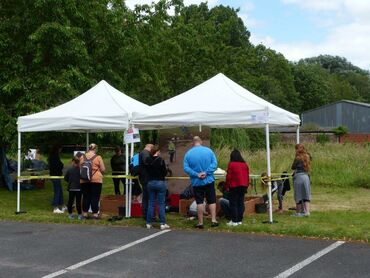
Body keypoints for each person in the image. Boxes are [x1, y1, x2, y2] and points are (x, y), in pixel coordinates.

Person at [183, 136, 218, 229]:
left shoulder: (188, 154)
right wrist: (206, 173)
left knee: (199, 202)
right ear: (201, 142)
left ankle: (200, 222)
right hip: (209, 180)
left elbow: (186, 168)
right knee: (212, 200)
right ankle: (213, 220)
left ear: (192, 143)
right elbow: (214, 164)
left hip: (196, 182)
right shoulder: (209, 151)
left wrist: (196, 174)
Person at [145, 145, 170, 230]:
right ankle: (162, 223)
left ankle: (148, 223)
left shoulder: (147, 160)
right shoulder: (161, 160)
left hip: (150, 183)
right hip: (160, 182)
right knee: (161, 204)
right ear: (157, 151)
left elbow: (146, 171)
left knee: (151, 203)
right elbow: (164, 173)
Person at [80, 143, 105, 219]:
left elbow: (79, 167)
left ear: (89, 148)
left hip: (84, 179)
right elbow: (103, 169)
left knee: (86, 196)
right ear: (95, 149)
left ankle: (85, 213)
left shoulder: (82, 156)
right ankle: (95, 214)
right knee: (95, 196)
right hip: (96, 180)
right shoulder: (98, 157)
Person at [225, 149, 249, 226]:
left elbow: (229, 177)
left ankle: (234, 220)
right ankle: (239, 220)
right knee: (240, 203)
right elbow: (247, 176)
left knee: (233, 203)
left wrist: (227, 185)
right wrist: (247, 186)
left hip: (234, 185)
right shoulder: (245, 164)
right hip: (243, 185)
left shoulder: (231, 164)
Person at [291, 143, 311, 217]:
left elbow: (293, 167)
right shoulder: (308, 156)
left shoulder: (297, 158)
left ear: (297, 150)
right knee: (306, 195)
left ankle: (298, 212)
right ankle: (307, 212)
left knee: (298, 195)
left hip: (299, 177)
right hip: (306, 177)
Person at [48, 144, 65, 214]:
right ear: (58, 149)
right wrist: (61, 165)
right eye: (60, 149)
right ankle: (55, 207)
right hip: (55, 176)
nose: (61, 151)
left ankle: (62, 205)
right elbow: (59, 165)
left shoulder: (53, 156)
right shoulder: (54, 157)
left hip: (55, 175)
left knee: (59, 191)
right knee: (57, 191)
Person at [138, 143, 154, 218]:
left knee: (146, 196)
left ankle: (145, 213)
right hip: (146, 178)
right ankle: (147, 214)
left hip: (144, 177)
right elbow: (147, 162)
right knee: (148, 196)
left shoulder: (142, 153)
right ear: (150, 147)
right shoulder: (145, 153)